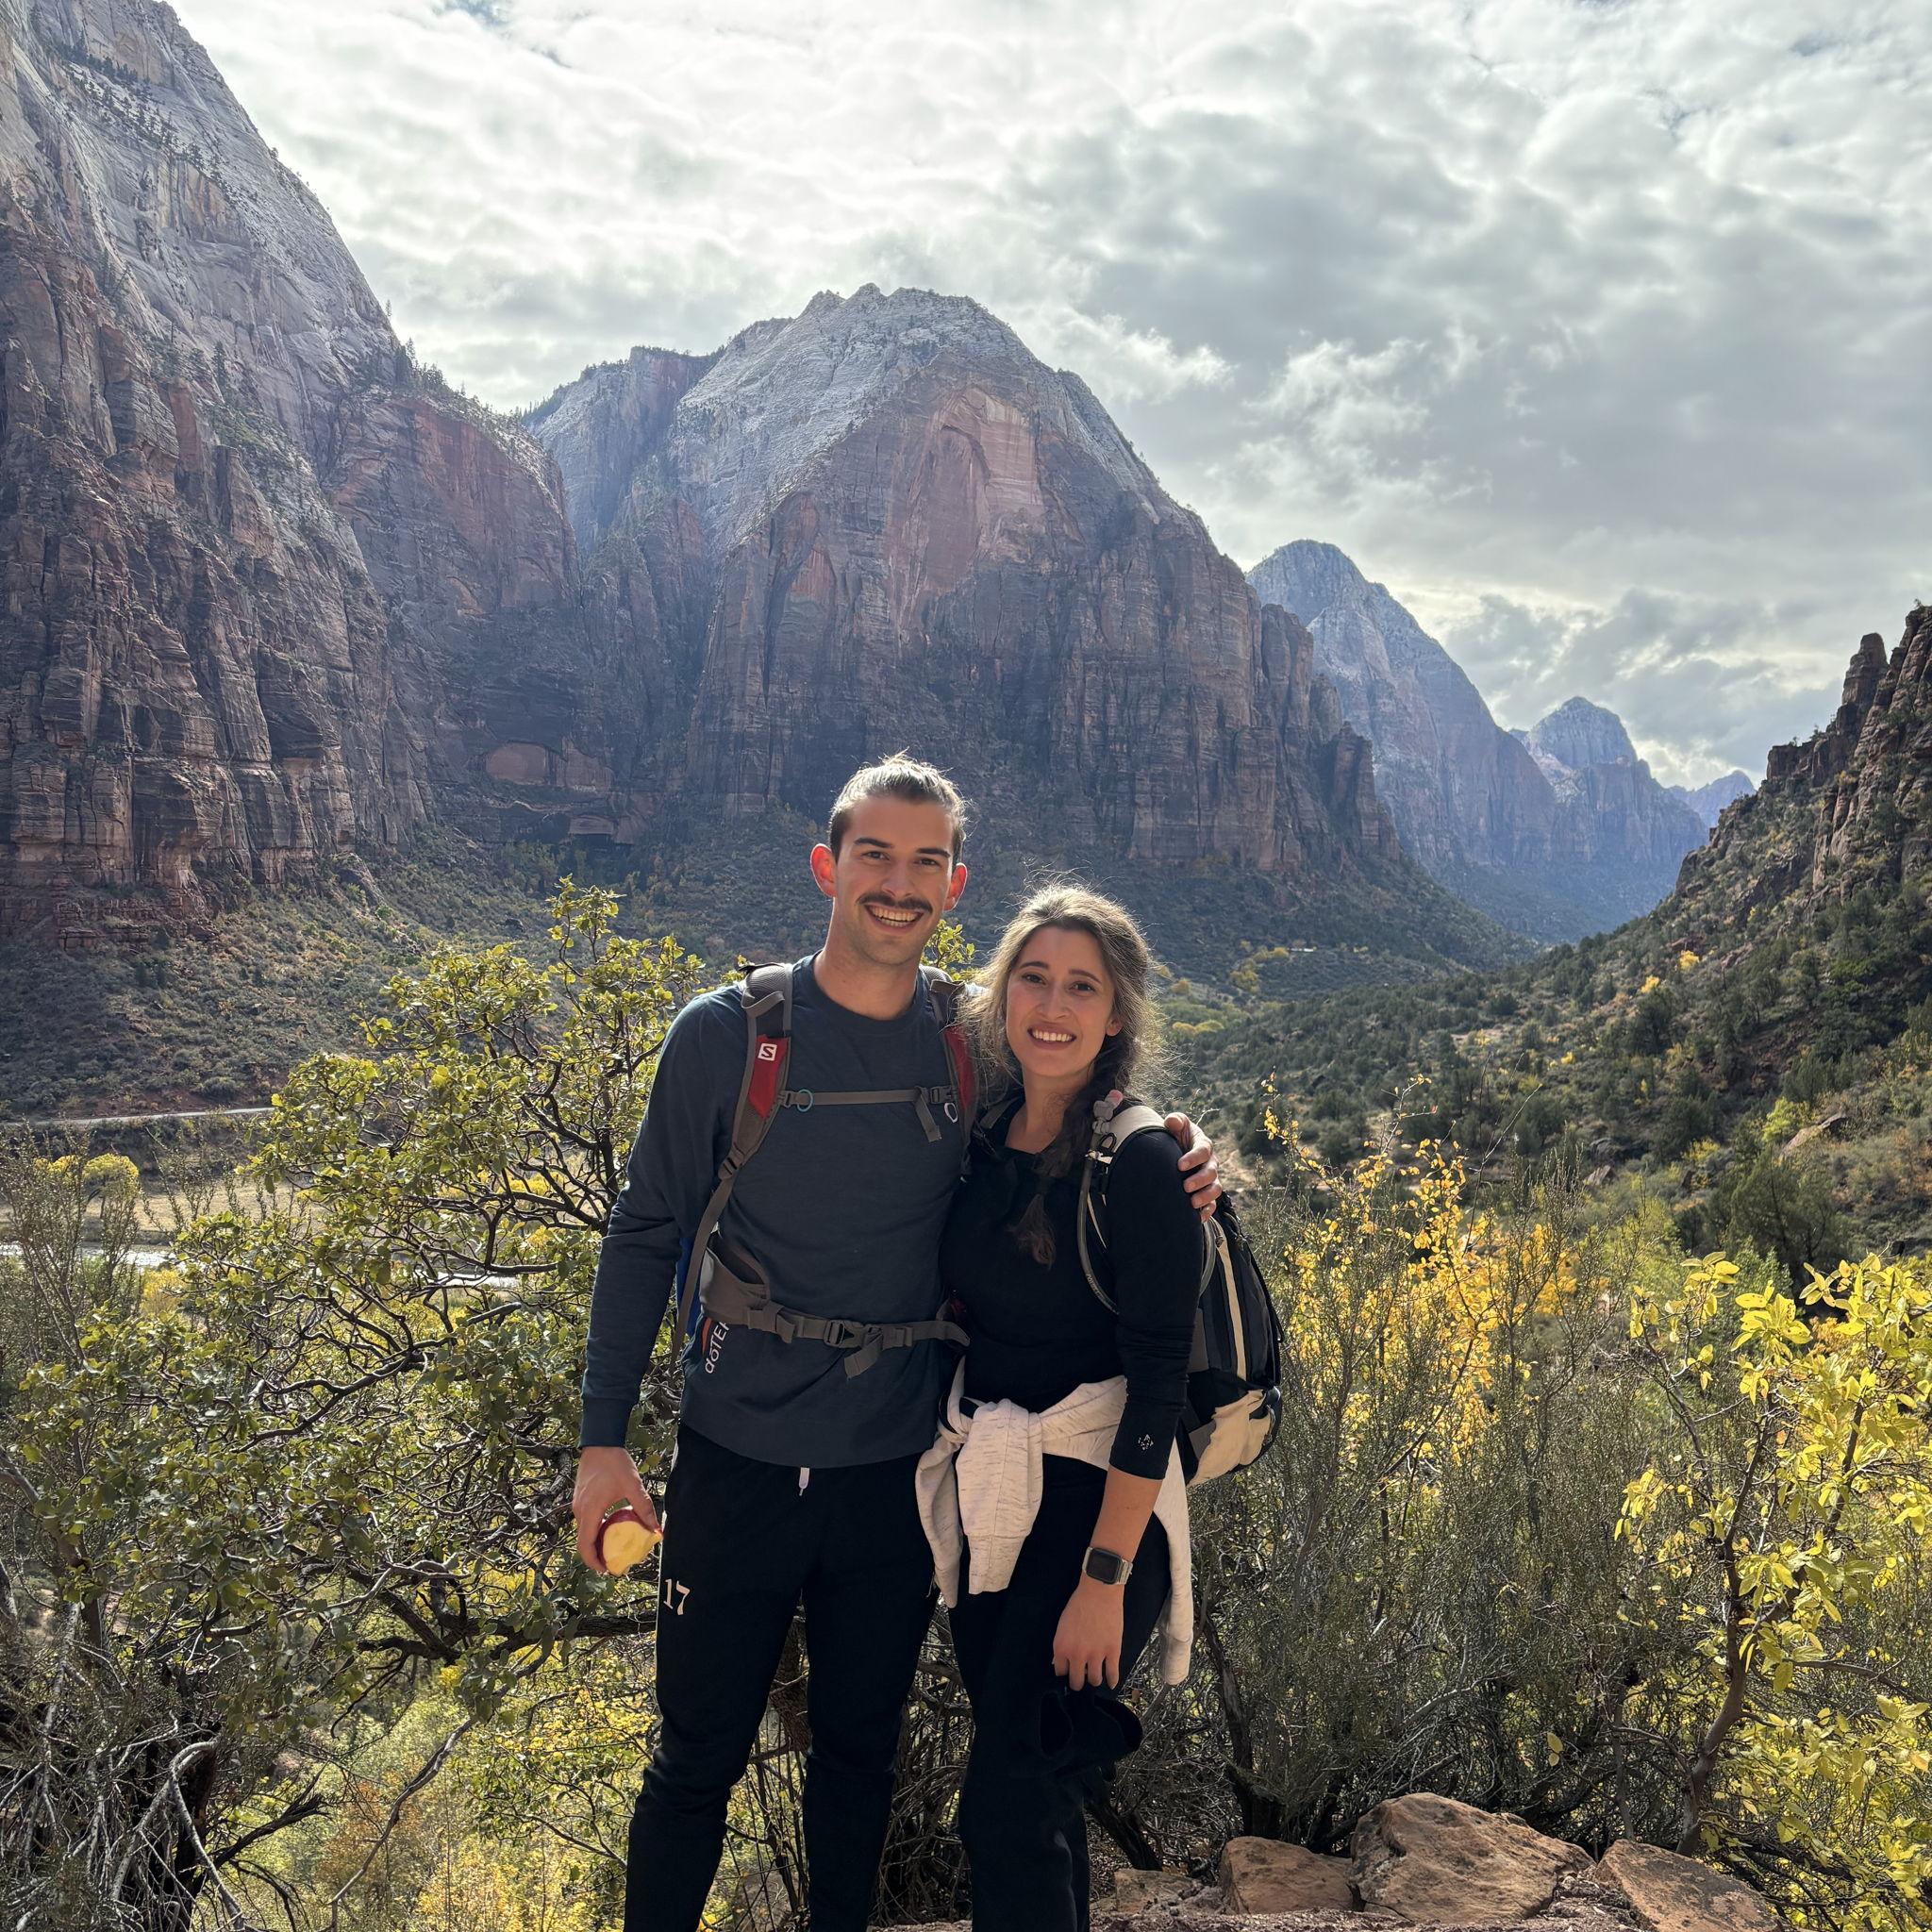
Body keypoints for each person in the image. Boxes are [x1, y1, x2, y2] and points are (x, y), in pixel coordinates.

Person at [571, 756, 1219, 1932]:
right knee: (692, 1763)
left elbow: (1067, 1103)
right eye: (873, 852)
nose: (896, 881)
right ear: (827, 864)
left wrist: (1171, 1145)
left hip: (893, 1474)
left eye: (925, 861)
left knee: (859, 1759)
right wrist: (601, 1439)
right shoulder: (727, 1036)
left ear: (954, 885)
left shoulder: (964, 1043)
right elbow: (643, 1230)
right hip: (735, 1456)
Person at [915, 885, 1200, 1932]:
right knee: (1025, 1792)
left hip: (1093, 1507)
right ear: (1001, 992)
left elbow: (1157, 1384)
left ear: (1116, 1013)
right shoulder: (982, 1129)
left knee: (1010, 1795)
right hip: (993, 1491)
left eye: (1081, 984)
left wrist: (1103, 1581)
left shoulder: (1142, 1161)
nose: (1051, 1002)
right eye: (1031, 975)